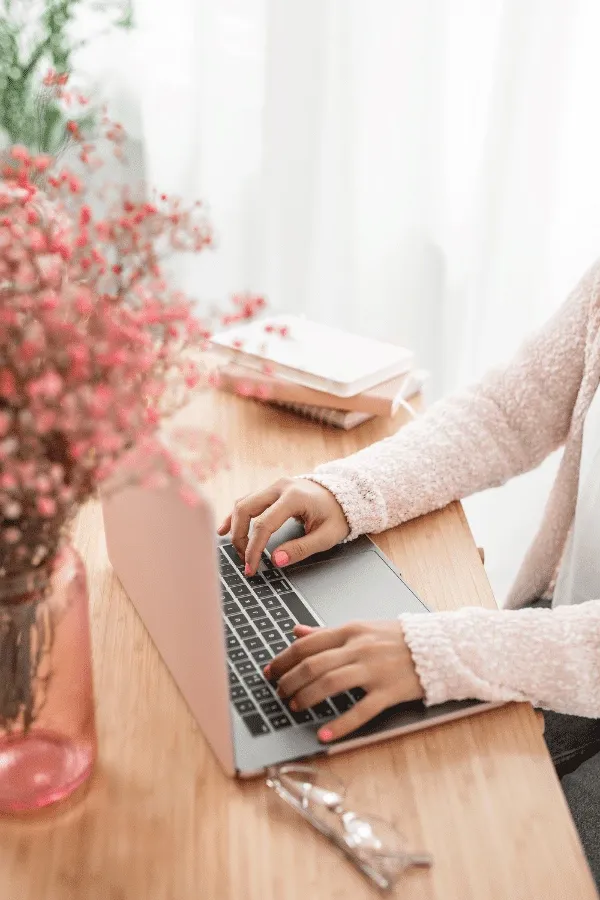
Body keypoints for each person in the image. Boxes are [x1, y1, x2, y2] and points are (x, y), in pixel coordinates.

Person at [218, 259, 600, 884]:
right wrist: (347, 490)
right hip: (554, 631)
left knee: (482, 861)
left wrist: (439, 650)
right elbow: (508, 414)